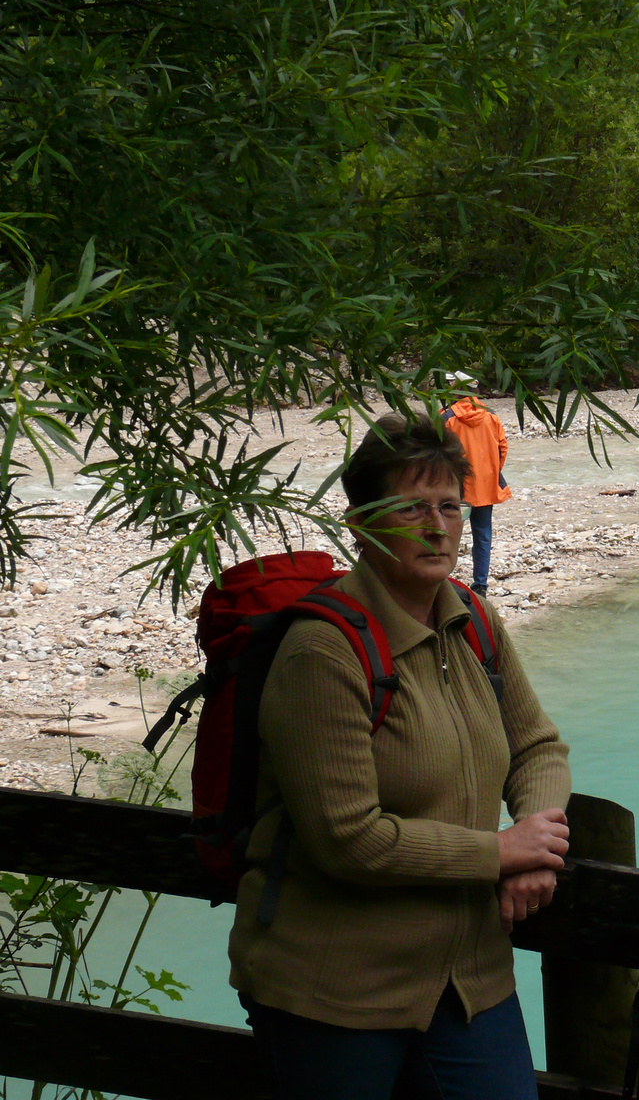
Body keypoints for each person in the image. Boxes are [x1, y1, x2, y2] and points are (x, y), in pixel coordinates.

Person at [229, 413, 571, 1100]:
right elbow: (348, 839)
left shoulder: (473, 619)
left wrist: (537, 842)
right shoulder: (322, 653)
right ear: (359, 524)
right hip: (335, 992)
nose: (438, 526)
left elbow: (538, 746)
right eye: (411, 508)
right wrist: (499, 854)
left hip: (468, 979)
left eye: (450, 505)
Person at [444, 395, 512, 596]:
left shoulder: (446, 418)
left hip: (455, 488)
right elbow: (502, 448)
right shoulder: (491, 416)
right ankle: (480, 584)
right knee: (482, 534)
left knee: (447, 532)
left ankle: (441, 579)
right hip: (484, 485)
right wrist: (491, 473)